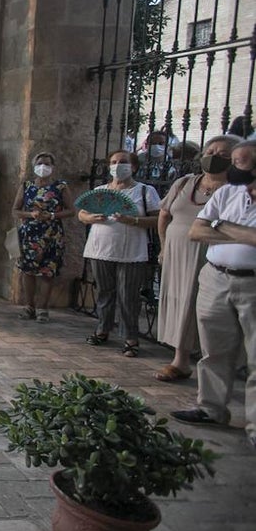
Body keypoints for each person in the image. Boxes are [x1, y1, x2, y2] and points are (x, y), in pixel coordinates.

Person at [172, 138, 256, 451]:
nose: (235, 168)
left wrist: (221, 227)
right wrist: (242, 233)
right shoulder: (226, 192)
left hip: (253, 285)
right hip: (216, 278)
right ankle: (211, 408)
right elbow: (197, 231)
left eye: (242, 162)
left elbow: (214, 229)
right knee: (214, 350)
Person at [154, 135, 238, 381]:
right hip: (177, 251)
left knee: (200, 305)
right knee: (178, 299)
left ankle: (205, 360)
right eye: (211, 151)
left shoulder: (236, 190)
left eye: (223, 154)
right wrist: (163, 245)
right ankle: (180, 359)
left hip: (208, 254)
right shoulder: (184, 183)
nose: (214, 157)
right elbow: (164, 215)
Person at [78, 150, 161, 358]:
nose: (118, 165)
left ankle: (130, 337)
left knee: (128, 295)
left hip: (131, 251)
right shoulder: (101, 190)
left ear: (133, 167)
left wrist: (132, 220)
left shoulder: (145, 191)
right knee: (105, 291)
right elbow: (81, 212)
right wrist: (90, 218)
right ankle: (102, 329)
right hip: (101, 248)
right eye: (114, 162)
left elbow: (158, 219)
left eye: (123, 162)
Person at [12, 152, 75, 322]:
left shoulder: (60, 187)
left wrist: (53, 215)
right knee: (28, 271)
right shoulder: (27, 186)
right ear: (34, 166)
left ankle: (43, 308)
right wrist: (30, 214)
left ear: (52, 167)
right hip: (29, 234)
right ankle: (29, 305)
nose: (43, 167)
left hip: (51, 234)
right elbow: (15, 210)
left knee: (48, 271)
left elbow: (71, 210)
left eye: (47, 164)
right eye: (40, 163)